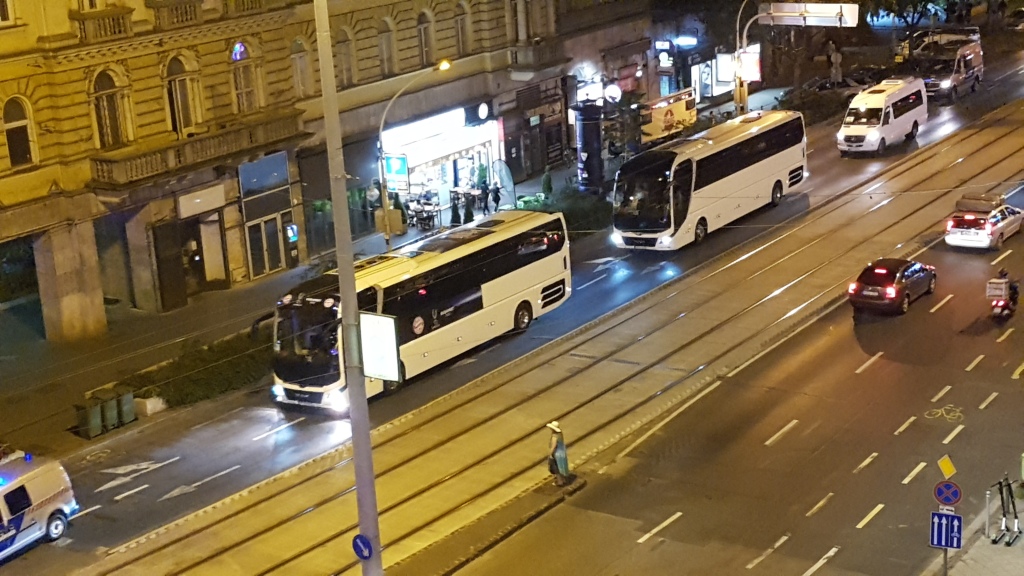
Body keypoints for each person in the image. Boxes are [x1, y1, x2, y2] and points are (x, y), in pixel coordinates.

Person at [546, 421, 570, 486]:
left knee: (556, 468)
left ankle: (560, 481)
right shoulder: (560, 434)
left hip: (557, 453)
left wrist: (550, 454)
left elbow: (553, 446)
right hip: (562, 452)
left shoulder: (555, 436)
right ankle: (563, 479)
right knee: (561, 466)